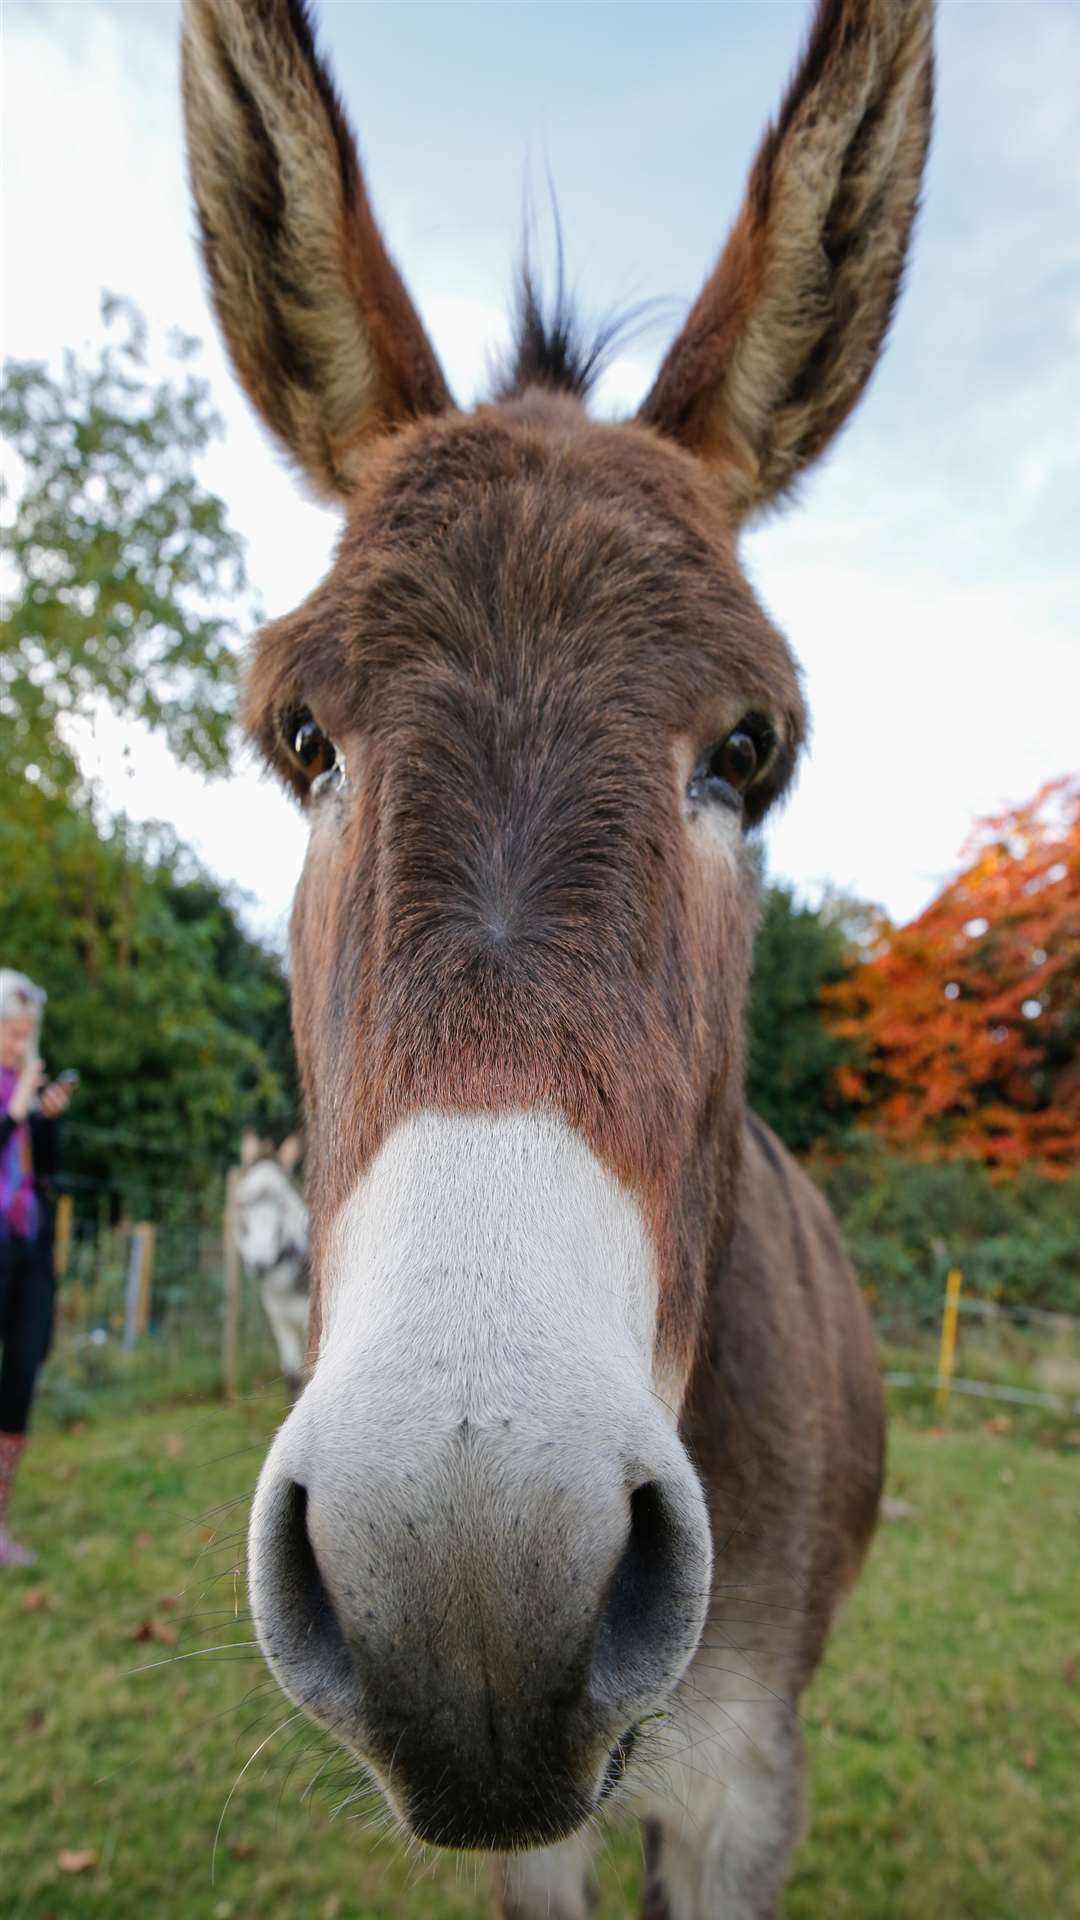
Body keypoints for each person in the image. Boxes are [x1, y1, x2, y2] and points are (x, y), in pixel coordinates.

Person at [0, 969, 75, 1568]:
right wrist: (18, 1106)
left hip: (28, 1248)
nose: (21, 1048)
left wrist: (46, 1118)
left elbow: (46, 1171)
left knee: (21, 1375)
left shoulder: (23, 1087)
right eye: (11, 1035)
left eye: (26, 1036)